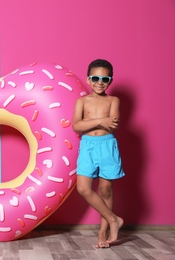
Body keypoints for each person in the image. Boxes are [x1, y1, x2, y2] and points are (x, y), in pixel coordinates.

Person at [72, 59, 125, 248]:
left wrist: (98, 122)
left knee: (105, 190)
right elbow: (76, 126)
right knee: (83, 188)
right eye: (95, 78)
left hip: (107, 146)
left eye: (105, 78)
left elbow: (113, 124)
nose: (99, 82)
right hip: (87, 147)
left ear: (110, 80)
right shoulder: (82, 101)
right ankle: (113, 219)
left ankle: (102, 234)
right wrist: (102, 120)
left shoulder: (113, 100)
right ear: (88, 79)